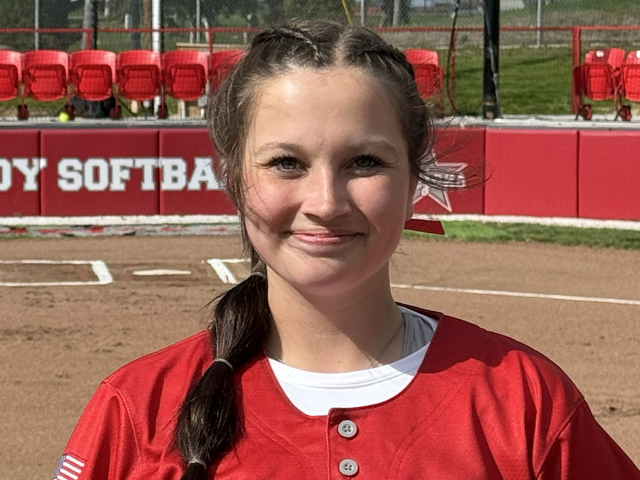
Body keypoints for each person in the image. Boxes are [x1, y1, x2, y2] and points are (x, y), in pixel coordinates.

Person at [54, 20, 640, 480]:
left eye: (365, 161)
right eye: (286, 163)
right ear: (233, 177)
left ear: (414, 179)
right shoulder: (136, 411)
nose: (326, 202)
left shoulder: (524, 402)